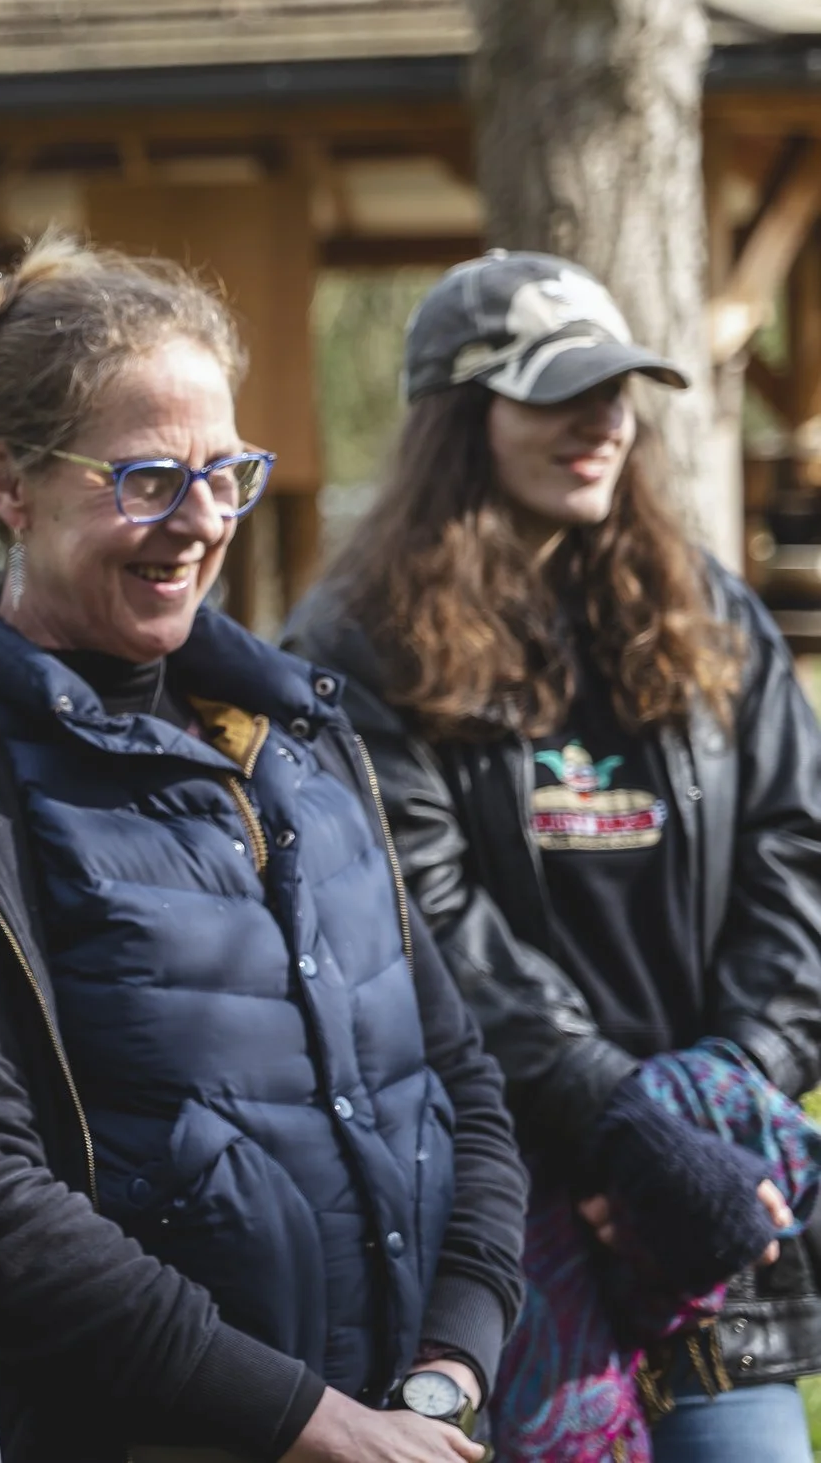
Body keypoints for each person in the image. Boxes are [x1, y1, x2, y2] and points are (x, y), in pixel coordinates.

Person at [0, 235, 528, 1463]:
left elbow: (457, 1082)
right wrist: (306, 1422)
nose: (198, 523)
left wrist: (450, 1368)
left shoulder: (299, 734)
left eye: (225, 473)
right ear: (7, 483)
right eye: (145, 477)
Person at [286, 250, 821, 1463]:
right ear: (460, 419)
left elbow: (801, 857)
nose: (604, 420)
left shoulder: (712, 615)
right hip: (502, 1209)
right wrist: (614, 1126)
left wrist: (716, 1099)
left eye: (619, 389)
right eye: (559, 390)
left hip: (710, 1191)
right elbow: (414, 919)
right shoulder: (354, 648)